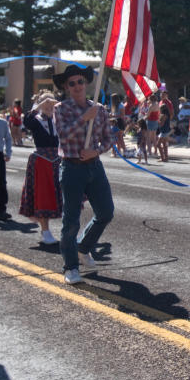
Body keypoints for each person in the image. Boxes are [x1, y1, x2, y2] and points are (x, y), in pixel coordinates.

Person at [52, 64, 115, 286]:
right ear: (66, 87)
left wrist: (96, 151)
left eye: (80, 81)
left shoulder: (99, 108)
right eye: (72, 83)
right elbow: (63, 135)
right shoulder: (60, 108)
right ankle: (70, 267)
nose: (77, 86)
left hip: (94, 165)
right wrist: (84, 119)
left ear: (86, 83)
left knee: (106, 212)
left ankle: (84, 247)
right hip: (71, 167)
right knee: (71, 221)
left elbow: (109, 138)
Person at [18, 91, 63, 244]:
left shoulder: (60, 118)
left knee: (66, 195)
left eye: (51, 103)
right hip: (42, 161)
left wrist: (56, 102)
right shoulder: (36, 120)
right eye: (46, 103)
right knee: (43, 196)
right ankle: (45, 231)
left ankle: (68, 230)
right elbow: (27, 122)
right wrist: (39, 105)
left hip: (59, 160)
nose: (49, 106)